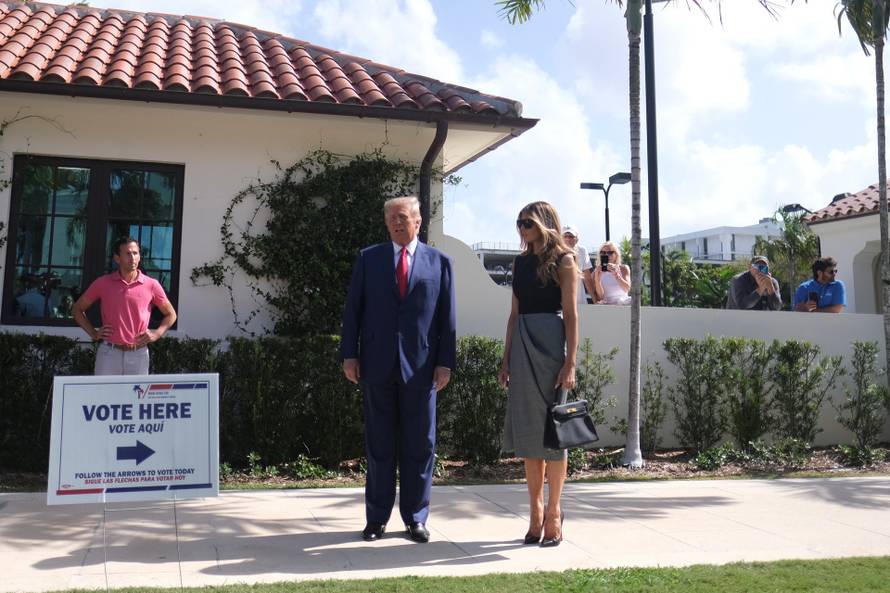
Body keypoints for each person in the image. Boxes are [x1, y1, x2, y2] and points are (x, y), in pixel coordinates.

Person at [340, 195, 456, 544]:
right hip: (376, 365)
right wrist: (349, 355)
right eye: (390, 217)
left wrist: (445, 363)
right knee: (379, 447)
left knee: (420, 447)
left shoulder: (440, 263)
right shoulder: (369, 259)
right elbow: (353, 312)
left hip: (421, 369)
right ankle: (376, 519)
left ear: (418, 221)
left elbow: (446, 320)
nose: (395, 223)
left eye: (402, 217)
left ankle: (415, 518)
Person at [498, 201, 578, 548]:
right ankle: (534, 513)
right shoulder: (519, 262)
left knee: (554, 434)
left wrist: (570, 362)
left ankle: (554, 512)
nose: (522, 229)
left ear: (545, 224)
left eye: (527, 222)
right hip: (522, 344)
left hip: (551, 344)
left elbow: (572, 315)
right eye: (518, 223)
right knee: (530, 433)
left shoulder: (565, 260)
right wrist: (505, 360)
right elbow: (513, 315)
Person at [71, 237, 177, 375]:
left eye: (135, 253)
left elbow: (171, 314)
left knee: (136, 397)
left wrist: (157, 334)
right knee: (104, 396)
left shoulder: (151, 285)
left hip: (138, 354)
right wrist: (94, 333)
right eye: (127, 253)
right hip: (109, 353)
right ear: (117, 258)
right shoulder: (102, 283)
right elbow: (77, 310)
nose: (132, 257)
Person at [561, 225, 595, 304]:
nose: (568, 239)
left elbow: (587, 278)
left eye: (571, 236)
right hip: (561, 302)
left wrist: (595, 300)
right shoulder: (555, 251)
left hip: (580, 301)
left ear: (577, 239)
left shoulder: (582, 250)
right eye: (565, 236)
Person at [593, 241, 631, 305]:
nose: (606, 255)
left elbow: (626, 289)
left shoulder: (623, 268)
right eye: (603, 253)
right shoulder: (596, 272)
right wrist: (597, 279)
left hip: (623, 304)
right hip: (607, 306)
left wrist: (617, 275)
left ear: (616, 255)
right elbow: (600, 297)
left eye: (610, 253)